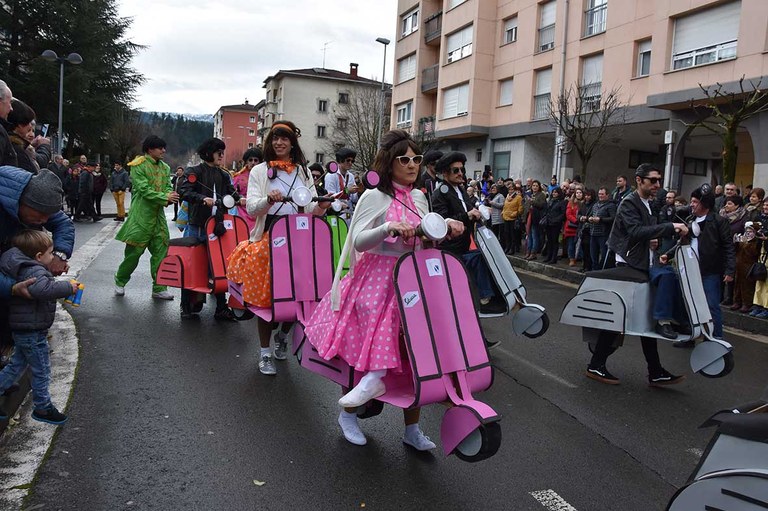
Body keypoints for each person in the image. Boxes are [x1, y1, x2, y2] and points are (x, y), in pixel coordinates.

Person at [304, 129, 463, 449]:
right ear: (390, 162)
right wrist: (387, 227)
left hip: (413, 279)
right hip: (376, 279)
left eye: (416, 159)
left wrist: (446, 228)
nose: (412, 165)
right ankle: (349, 412)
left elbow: (425, 235)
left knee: (419, 353)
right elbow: (358, 240)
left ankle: (412, 430)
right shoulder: (373, 196)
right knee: (365, 351)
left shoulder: (419, 197)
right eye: (404, 159)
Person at [227, 121, 331, 375]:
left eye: (284, 138)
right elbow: (252, 208)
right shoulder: (260, 171)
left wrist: (322, 207)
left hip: (299, 236)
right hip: (269, 235)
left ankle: (283, 336)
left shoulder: (303, 172)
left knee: (303, 296)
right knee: (268, 301)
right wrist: (268, 200)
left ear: (292, 142)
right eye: (275, 138)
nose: (279, 143)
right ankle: (264, 353)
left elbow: (309, 210)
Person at [586, 163, 688, 386]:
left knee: (643, 319)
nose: (657, 185)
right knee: (620, 318)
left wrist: (655, 243)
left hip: (640, 263)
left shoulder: (648, 204)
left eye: (659, 180)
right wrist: (671, 227)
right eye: (653, 180)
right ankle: (597, 364)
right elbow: (635, 232)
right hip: (628, 265)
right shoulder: (629, 203)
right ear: (639, 180)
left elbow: (644, 235)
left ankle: (655, 371)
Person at [0, 230, 79, 425]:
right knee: (41, 369)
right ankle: (42, 407)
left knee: (17, 364)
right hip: (32, 331)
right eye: (51, 253)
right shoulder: (35, 270)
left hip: (25, 329)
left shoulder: (23, 266)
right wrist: (68, 287)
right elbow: (42, 289)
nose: (53, 257)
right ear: (38, 256)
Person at [0, 167, 74, 353]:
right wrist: (11, 287)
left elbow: (62, 222)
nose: (44, 221)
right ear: (22, 203)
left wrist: (60, 255)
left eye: (48, 215)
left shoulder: (36, 198)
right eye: (41, 215)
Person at [177, 138, 246, 321]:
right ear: (208, 152)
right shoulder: (194, 171)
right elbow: (184, 191)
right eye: (218, 152)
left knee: (221, 265)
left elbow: (231, 192)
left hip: (217, 225)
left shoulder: (223, 174)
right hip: (198, 225)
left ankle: (221, 308)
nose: (221, 156)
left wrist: (241, 199)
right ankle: (187, 306)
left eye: (222, 152)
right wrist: (201, 198)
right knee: (192, 265)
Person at [114, 136, 179, 300]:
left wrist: (168, 195)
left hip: (158, 218)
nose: (163, 151)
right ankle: (120, 280)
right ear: (150, 149)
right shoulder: (138, 165)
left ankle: (159, 287)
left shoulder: (165, 167)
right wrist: (165, 197)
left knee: (161, 252)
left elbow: (168, 187)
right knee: (133, 254)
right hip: (140, 218)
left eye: (164, 148)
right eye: (160, 148)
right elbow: (143, 189)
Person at [672, 185, 734, 346]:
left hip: (710, 271)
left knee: (711, 306)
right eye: (691, 201)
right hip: (690, 271)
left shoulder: (719, 221)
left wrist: (729, 270)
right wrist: (668, 254)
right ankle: (692, 336)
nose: (691, 204)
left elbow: (728, 246)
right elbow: (683, 243)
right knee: (690, 305)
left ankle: (716, 340)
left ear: (704, 203)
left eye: (694, 201)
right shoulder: (690, 221)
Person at [431, 151, 495, 306]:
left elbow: (471, 208)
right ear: (445, 173)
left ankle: (484, 298)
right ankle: (484, 298)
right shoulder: (440, 193)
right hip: (449, 250)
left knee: (486, 257)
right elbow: (441, 222)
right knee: (477, 259)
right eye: (456, 170)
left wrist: (480, 211)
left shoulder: (461, 190)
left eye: (462, 170)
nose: (460, 173)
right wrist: (468, 215)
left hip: (464, 245)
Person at [5, 99, 51, 174]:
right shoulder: (16, 150)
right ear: (20, 124)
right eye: (29, 126)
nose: (31, 134)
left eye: (33, 131)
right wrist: (44, 146)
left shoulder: (17, 146)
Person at [231, 147, 262, 232]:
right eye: (250, 160)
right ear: (246, 162)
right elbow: (231, 193)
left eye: (256, 160)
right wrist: (239, 198)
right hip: (242, 212)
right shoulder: (238, 177)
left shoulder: (264, 177)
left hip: (259, 211)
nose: (253, 163)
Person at [324, 147, 360, 216]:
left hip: (348, 213)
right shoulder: (331, 175)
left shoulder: (351, 176)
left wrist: (359, 192)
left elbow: (353, 199)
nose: (350, 163)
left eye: (352, 161)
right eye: (348, 160)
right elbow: (330, 197)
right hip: (335, 214)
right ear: (340, 160)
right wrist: (347, 191)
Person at [587, 187, 616, 270]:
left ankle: (602, 271)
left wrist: (601, 219)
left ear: (607, 195)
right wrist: (589, 219)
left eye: (602, 194)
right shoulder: (595, 205)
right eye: (599, 194)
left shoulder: (611, 206)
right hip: (593, 233)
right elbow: (591, 214)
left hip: (603, 234)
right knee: (593, 256)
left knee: (604, 256)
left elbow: (613, 218)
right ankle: (594, 272)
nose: (600, 196)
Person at [542, 187, 566, 264]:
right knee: (549, 240)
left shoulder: (562, 202)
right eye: (553, 192)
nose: (554, 194)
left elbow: (562, 214)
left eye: (556, 192)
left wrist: (556, 220)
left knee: (554, 241)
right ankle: (549, 256)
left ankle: (553, 257)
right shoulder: (550, 201)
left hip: (556, 224)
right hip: (549, 223)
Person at [524, 180, 547, 260]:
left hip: (536, 217)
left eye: (536, 186)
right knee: (529, 236)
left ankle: (533, 253)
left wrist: (532, 201)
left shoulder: (541, 195)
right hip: (528, 217)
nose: (535, 187)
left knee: (534, 236)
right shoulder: (529, 194)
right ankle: (528, 251)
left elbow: (541, 205)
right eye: (533, 185)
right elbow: (526, 206)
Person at [502, 183, 523, 255]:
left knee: (512, 234)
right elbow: (505, 206)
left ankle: (512, 248)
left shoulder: (518, 197)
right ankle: (507, 247)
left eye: (512, 189)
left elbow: (520, 208)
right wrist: (503, 212)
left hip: (513, 218)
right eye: (509, 189)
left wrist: (515, 213)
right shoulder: (507, 196)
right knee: (506, 234)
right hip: (506, 217)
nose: (510, 191)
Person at [564, 187, 583, 267]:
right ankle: (572, 259)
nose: (579, 194)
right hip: (572, 226)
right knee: (571, 244)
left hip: (581, 226)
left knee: (581, 244)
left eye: (580, 193)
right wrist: (576, 220)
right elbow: (568, 214)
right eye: (577, 193)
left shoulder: (584, 203)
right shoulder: (571, 203)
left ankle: (579, 257)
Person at [578, 188, 595, 272]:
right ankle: (584, 266)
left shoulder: (594, 205)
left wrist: (587, 218)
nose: (587, 197)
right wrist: (580, 217)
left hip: (590, 229)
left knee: (589, 249)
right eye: (586, 195)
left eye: (589, 195)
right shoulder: (583, 204)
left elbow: (594, 215)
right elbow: (579, 214)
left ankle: (589, 266)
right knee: (584, 249)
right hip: (583, 229)